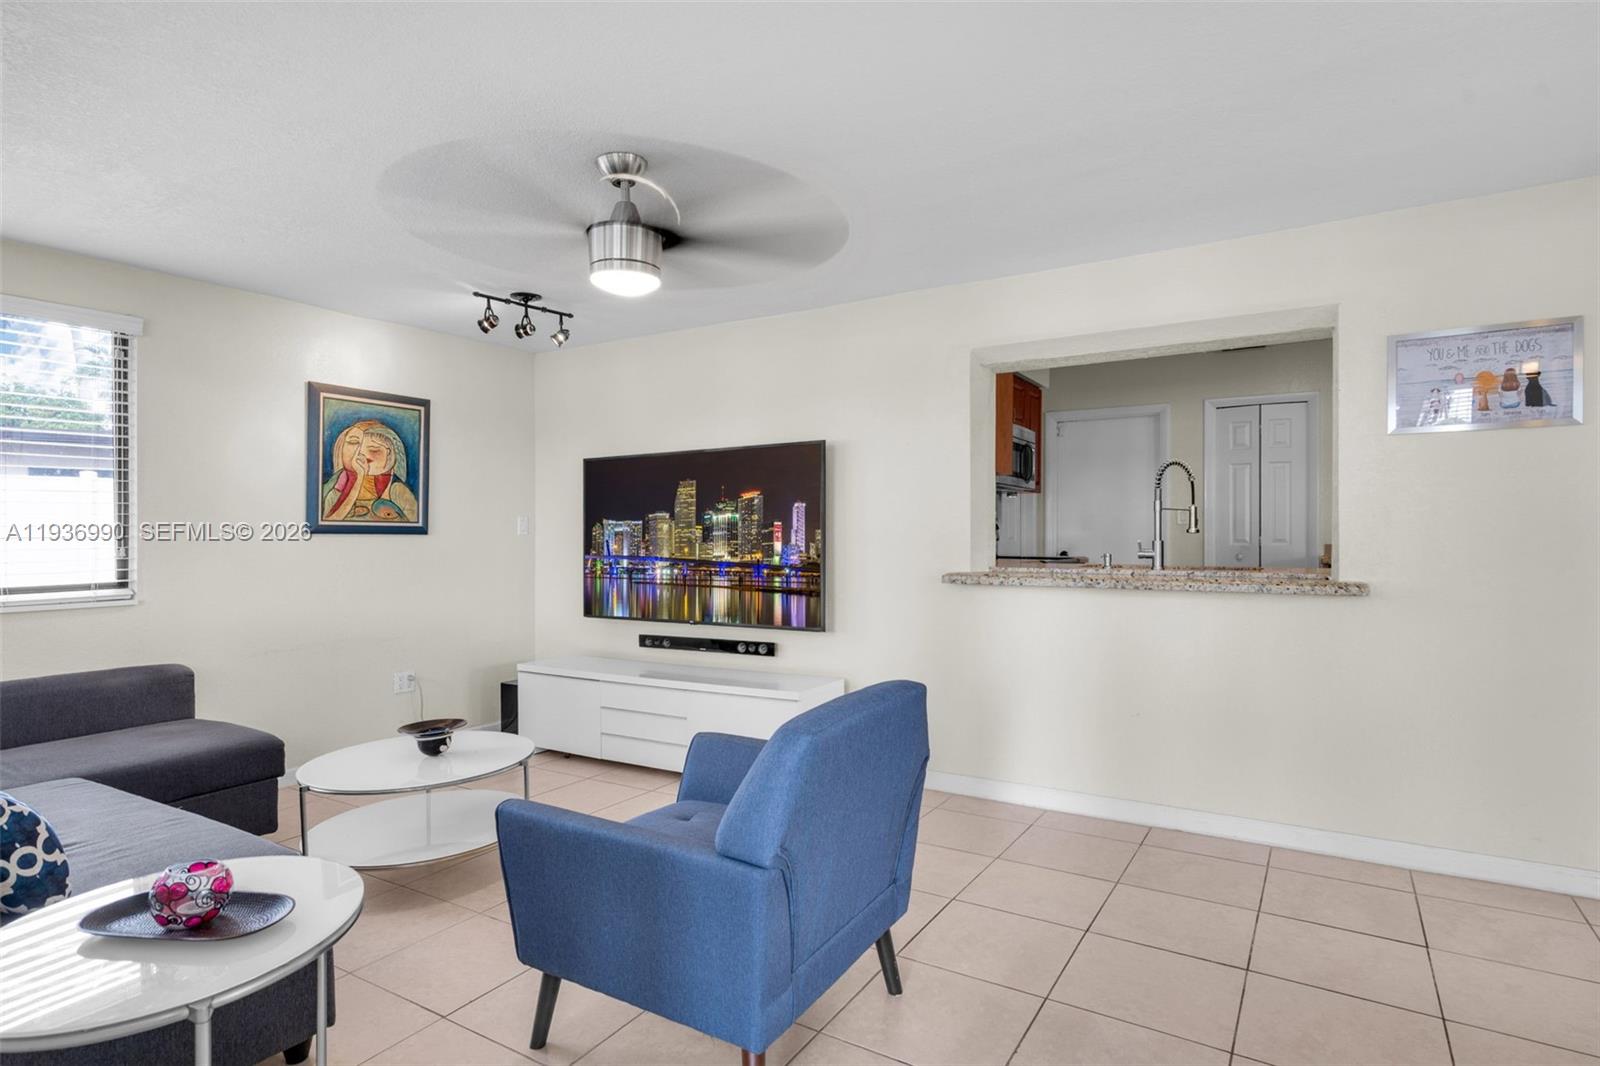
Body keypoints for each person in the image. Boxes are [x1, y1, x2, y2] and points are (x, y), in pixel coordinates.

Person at [321, 419, 419, 522]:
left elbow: (415, 521)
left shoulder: (397, 490)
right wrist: (358, 478)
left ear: (390, 455)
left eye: (374, 450)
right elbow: (327, 521)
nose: (360, 453)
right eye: (353, 442)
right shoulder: (335, 487)